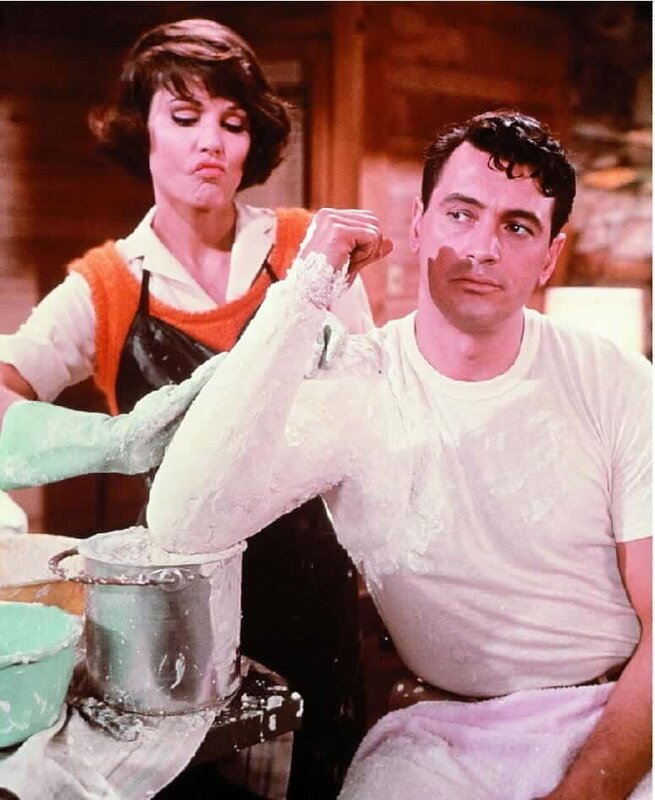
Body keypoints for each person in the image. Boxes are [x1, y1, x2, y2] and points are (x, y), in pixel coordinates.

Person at [146, 110, 652, 800]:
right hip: (442, 735)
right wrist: (305, 290)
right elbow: (184, 522)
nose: (482, 248)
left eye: (516, 227)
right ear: (417, 223)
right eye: (460, 214)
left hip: (620, 714)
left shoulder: (616, 380)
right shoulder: (358, 386)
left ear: (548, 258)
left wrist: (585, 793)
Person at [0, 18, 373, 799]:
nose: (211, 142)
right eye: (184, 115)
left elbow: (366, 418)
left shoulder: (310, 252)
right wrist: (113, 440)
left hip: (316, 595)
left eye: (233, 123)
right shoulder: (105, 286)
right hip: (173, 621)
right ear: (142, 130)